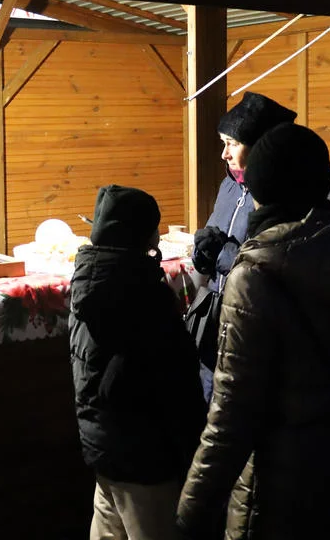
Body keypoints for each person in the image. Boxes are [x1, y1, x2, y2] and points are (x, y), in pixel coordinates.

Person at [176, 123, 330, 540]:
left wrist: (190, 512)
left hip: (281, 481)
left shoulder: (257, 271)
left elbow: (230, 418)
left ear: (260, 188)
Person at [69, 185, 205, 540]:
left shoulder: (90, 279)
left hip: (104, 444)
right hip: (145, 452)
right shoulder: (142, 292)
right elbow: (172, 379)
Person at [187, 92, 296, 402]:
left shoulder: (280, 196)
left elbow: (270, 264)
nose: (224, 153)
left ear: (260, 145)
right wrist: (204, 252)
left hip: (252, 323)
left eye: (232, 143)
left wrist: (222, 253)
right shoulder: (230, 184)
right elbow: (218, 235)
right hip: (219, 316)